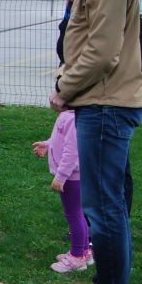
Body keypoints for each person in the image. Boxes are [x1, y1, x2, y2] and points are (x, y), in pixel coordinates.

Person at [45, 0, 142, 284]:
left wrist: (64, 89)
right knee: (109, 207)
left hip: (105, 105)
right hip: (101, 102)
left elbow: (102, 52)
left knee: (103, 209)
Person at [56, 0, 142, 217]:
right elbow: (66, 51)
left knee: (115, 175)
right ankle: (94, 228)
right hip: (87, 100)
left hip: (110, 103)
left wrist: (64, 88)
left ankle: (112, 225)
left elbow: (114, 58)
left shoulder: (106, 11)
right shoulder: (73, 11)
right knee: (92, 172)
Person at [32, 109, 91, 273]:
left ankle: (77, 257)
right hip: (73, 176)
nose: (52, 98)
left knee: (73, 214)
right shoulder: (68, 115)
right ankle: (85, 252)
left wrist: (61, 176)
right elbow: (60, 140)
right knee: (78, 213)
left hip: (71, 177)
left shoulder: (72, 118)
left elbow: (72, 151)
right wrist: (47, 144)